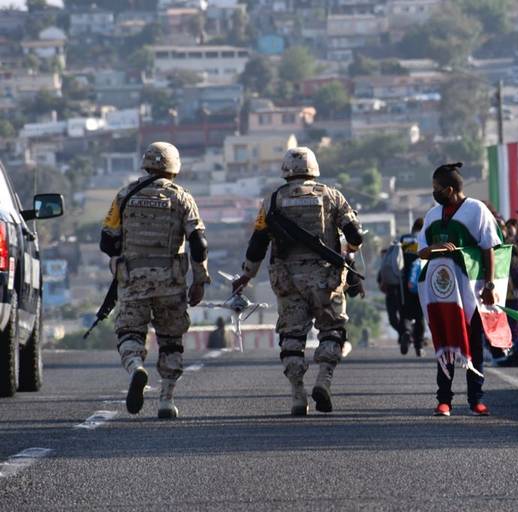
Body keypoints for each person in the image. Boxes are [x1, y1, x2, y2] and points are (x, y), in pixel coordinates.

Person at [231, 147, 364, 416]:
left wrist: (247, 275)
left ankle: (297, 395)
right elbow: (355, 235)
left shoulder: (272, 201)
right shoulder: (332, 196)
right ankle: (323, 380)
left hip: (288, 279)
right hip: (325, 279)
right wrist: (347, 251)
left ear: (286, 171)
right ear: (313, 168)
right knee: (332, 331)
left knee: (292, 336)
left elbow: (258, 242)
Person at [100, 141, 210, 419]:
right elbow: (199, 244)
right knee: (171, 340)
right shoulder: (182, 197)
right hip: (170, 281)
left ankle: (136, 366)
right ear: (174, 167)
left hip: (133, 279)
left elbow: (107, 240)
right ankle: (166, 400)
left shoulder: (124, 195)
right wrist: (199, 280)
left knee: (129, 333)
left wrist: (122, 257)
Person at [418, 162, 500, 417]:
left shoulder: (477, 210)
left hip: (470, 290)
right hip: (439, 294)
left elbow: (489, 248)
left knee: (473, 344)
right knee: (444, 341)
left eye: (437, 188)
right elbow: (421, 250)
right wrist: (430, 251)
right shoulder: (432, 214)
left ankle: (476, 398)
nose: (434, 192)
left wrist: (489, 284)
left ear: (450, 189)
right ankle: (444, 399)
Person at [399, 218, 425, 357]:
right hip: (422, 282)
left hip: (405, 283)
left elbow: (397, 261)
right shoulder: (426, 239)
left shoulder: (404, 239)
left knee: (406, 313)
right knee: (420, 315)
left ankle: (407, 332)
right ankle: (419, 346)